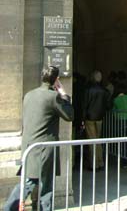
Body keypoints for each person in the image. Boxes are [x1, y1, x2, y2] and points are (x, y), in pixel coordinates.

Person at [4, 65, 74, 211]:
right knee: (45, 187)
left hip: (29, 146)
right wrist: (63, 93)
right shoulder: (53, 97)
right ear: (56, 80)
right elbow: (69, 115)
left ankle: (9, 207)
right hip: (44, 149)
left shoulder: (29, 95)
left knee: (28, 182)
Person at [82, 70, 111, 171]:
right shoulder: (104, 91)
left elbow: (85, 105)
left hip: (90, 118)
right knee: (98, 140)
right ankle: (100, 162)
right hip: (100, 118)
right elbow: (108, 105)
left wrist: (83, 118)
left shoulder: (88, 90)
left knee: (92, 141)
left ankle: (94, 164)